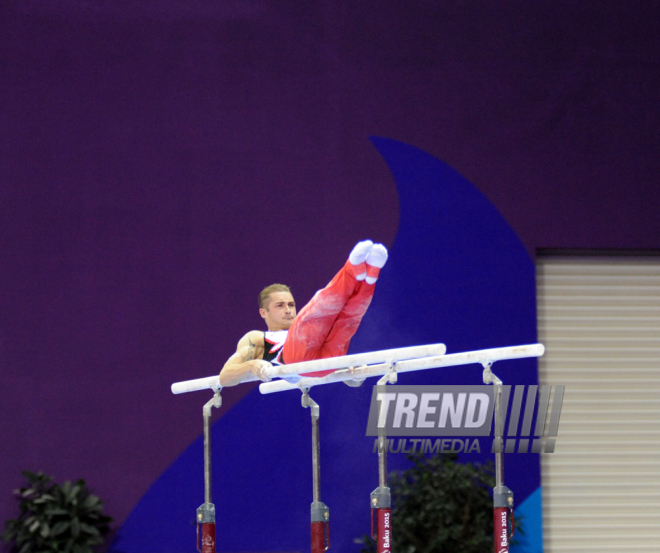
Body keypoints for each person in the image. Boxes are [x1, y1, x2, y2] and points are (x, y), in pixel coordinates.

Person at [219, 240, 388, 387]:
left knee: (346, 316)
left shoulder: (304, 326)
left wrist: (352, 373)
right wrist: (251, 365)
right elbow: (225, 377)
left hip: (322, 366)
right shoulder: (257, 338)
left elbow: (347, 379)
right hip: (297, 359)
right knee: (329, 313)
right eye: (280, 305)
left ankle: (369, 277)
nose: (288, 310)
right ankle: (353, 270)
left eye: (291, 304)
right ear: (264, 312)